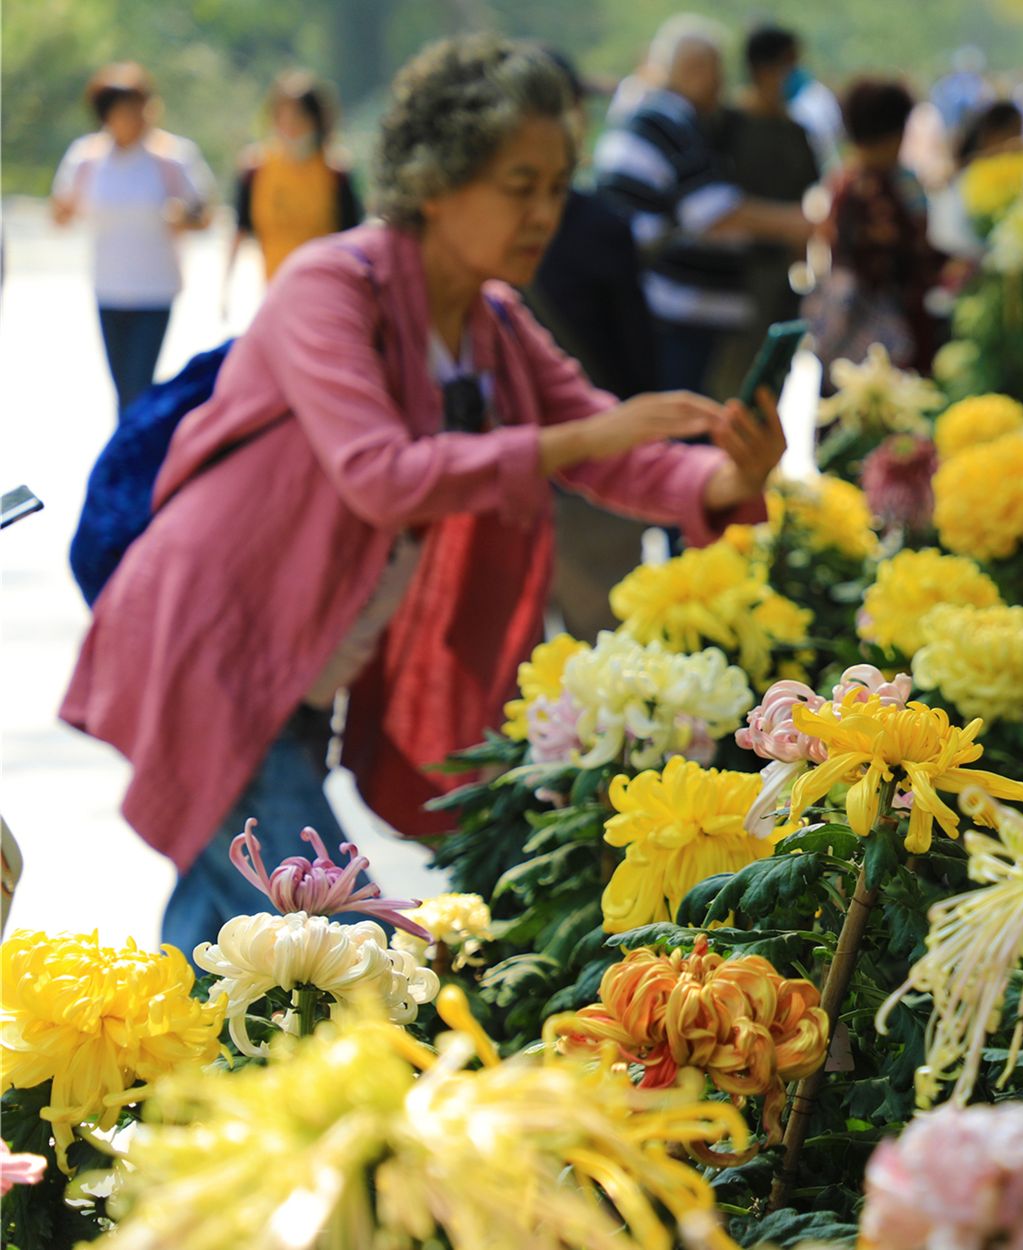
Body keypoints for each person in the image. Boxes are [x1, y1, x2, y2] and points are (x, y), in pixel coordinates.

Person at [61, 36, 784, 954]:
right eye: (518, 186)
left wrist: (730, 475)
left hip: (302, 666)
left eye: (557, 187)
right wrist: (581, 437)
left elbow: (612, 455)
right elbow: (380, 470)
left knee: (231, 938)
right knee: (326, 945)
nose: (544, 215)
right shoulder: (328, 287)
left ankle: (160, 1085)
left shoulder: (490, 320)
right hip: (221, 646)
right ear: (436, 181)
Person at [522, 46, 669, 642]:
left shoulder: (457, 233)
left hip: (563, 486)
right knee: (607, 681)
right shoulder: (598, 223)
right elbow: (638, 362)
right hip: (580, 480)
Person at [596, 16, 811, 394]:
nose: (721, 84)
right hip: (672, 309)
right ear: (696, 69)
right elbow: (713, 212)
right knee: (684, 425)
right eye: (716, 71)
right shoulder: (668, 119)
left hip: (677, 309)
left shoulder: (670, 117)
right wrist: (798, 223)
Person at [51, 63, 217, 417]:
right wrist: (65, 208)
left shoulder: (172, 157)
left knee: (137, 387)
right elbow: (60, 215)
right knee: (123, 389)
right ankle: (131, 462)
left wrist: (180, 217)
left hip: (155, 289)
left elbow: (204, 214)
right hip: (108, 287)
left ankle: (130, 464)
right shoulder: (87, 158)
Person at [709, 24, 821, 395]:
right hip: (731, 280)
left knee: (770, 389)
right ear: (762, 68)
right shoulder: (725, 126)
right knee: (730, 386)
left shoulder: (797, 132)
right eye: (789, 64)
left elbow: (803, 199)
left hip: (779, 282)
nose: (796, 75)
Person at [806, 80, 939, 370]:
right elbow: (898, 255)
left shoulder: (847, 180)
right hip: (882, 334)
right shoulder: (871, 190)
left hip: (861, 330)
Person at [223, 70, 363, 312]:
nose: (290, 127)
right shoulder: (256, 169)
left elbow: (354, 241)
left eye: (299, 118)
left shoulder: (336, 172)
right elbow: (240, 228)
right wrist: (226, 288)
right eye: (283, 118)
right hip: (275, 291)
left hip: (325, 293)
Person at [928, 100, 1023, 263]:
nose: (1019, 144)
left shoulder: (976, 173)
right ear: (992, 135)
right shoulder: (973, 177)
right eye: (1016, 133)